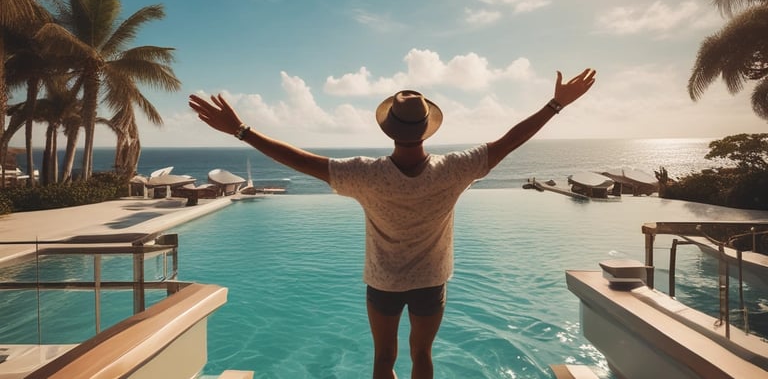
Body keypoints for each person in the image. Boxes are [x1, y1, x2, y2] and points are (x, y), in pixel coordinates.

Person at [188, 68, 596, 379]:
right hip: (431, 282)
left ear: (389, 128)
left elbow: (299, 160)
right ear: (426, 127)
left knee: (383, 359)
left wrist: (242, 130)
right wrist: (555, 105)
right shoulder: (455, 170)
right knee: (423, 357)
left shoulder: (364, 174)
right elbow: (509, 140)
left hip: (382, 284)